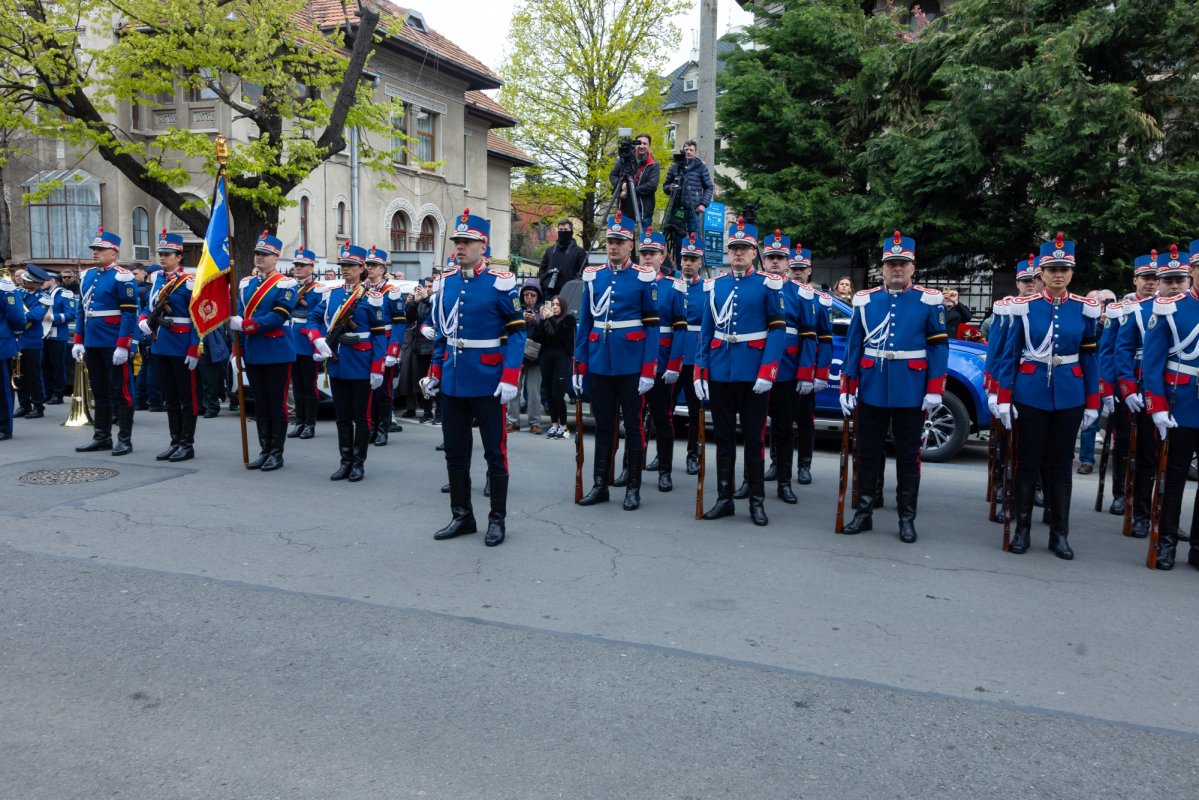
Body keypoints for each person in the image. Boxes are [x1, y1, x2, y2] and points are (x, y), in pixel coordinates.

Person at [993, 232, 1099, 559]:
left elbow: (1089, 357)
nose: (1058, 275)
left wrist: (1093, 401)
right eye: (1052, 269)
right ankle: (1023, 530)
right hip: (1030, 393)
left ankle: (1059, 534)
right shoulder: (1022, 308)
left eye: (1063, 269)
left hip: (1069, 395)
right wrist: (1004, 397)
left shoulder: (1085, 309)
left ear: (1071, 273)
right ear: (1040, 273)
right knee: (1027, 462)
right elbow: (1010, 355)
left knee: (1060, 466)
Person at [424, 209, 527, 547]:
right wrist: (435, 372)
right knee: (455, 451)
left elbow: (517, 334)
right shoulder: (446, 282)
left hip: (488, 381)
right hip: (453, 381)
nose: (460, 247)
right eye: (457, 241)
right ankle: (462, 516)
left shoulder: (500, 283)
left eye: (467, 242)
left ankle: (497, 520)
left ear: (483, 245)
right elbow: (443, 334)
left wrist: (510, 376)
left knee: (494, 454)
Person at [839, 231, 949, 543]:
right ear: (883, 268)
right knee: (868, 453)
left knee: (907, 457)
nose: (896, 269)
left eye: (902, 263)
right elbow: (854, 347)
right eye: (891, 264)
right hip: (873, 385)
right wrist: (848, 386)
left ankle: (906, 518)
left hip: (911, 389)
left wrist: (934, 388)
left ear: (913, 267)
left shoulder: (928, 301)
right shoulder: (866, 300)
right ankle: (863, 513)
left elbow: (939, 348)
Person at [694, 217, 785, 526]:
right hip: (720, 371)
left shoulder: (767, 283)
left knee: (755, 441)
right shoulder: (715, 285)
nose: (738, 253)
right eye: (734, 248)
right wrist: (700, 372)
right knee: (722, 440)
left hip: (753, 373)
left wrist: (767, 371)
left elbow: (777, 332)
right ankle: (724, 499)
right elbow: (706, 333)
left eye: (744, 248)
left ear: (754, 252)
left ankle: (756, 502)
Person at [574, 212, 660, 511]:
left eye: (619, 242)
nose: (613, 246)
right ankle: (600, 484)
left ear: (630, 244)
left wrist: (649, 368)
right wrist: (580, 364)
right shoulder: (594, 276)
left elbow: (651, 325)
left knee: (633, 426)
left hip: (631, 363)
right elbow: (584, 323)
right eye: (610, 241)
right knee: (603, 425)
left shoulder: (642, 276)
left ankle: (633, 487)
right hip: (599, 362)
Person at [306, 243, 387, 482]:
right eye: (343, 265)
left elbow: (380, 335)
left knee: (361, 417)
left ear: (361, 268)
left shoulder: (372, 297)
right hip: (338, 361)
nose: (345, 269)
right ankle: (345, 461)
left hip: (361, 364)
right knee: (342, 416)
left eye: (350, 265)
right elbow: (313, 317)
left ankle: (358, 463)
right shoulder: (333, 294)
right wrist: (317, 338)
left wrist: (377, 367)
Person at [1141, 242, 1197, 570]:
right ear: (1194, 271)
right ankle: (1166, 543)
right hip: (1182, 404)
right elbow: (1153, 362)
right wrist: (1157, 406)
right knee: (1173, 479)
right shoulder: (1169, 307)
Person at [231, 231, 298, 471]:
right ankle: (264, 449)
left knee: (276, 403)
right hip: (253, 349)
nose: (259, 257)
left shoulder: (287, 283)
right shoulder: (246, 283)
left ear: (276, 257)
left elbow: (279, 315)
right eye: (257, 253)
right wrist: (235, 349)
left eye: (265, 254)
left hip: (276, 350)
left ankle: (276, 453)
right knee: (260, 403)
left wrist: (247, 326)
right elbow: (239, 313)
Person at [759, 231, 817, 505]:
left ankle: (785, 480)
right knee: (754, 429)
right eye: (770, 257)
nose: (774, 262)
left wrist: (806, 373)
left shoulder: (801, 293)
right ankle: (753, 479)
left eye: (780, 258)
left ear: (787, 262)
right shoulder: (755, 287)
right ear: (763, 260)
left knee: (783, 428)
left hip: (786, 371)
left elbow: (808, 336)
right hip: (754, 370)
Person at [73, 228, 138, 455]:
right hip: (93, 341)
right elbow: (82, 310)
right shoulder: (87, 276)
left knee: (122, 391)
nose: (96, 253)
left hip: (112, 342)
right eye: (94, 249)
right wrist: (78, 339)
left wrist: (123, 345)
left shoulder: (123, 276)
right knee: (99, 391)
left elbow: (129, 314)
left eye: (101, 249)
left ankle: (124, 439)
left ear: (114, 253)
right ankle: (101, 436)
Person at [138, 230, 202, 462]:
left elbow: (198, 318)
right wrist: (143, 320)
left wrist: (195, 348)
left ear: (179, 256)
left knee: (187, 397)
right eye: (161, 254)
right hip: (161, 343)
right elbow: (148, 306)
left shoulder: (190, 282)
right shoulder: (158, 279)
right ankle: (175, 441)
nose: (163, 258)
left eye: (168, 254)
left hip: (182, 344)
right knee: (170, 397)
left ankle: (187, 444)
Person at [1115, 252, 1165, 536]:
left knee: (1167, 458)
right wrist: (1121, 388)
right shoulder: (1134, 309)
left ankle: (1165, 513)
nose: (1153, 283)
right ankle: (1135, 505)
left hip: (1175, 392)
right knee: (1133, 446)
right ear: (1135, 279)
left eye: (1156, 278)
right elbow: (1117, 350)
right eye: (1147, 278)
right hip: (1140, 387)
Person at [639, 226, 686, 491]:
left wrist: (674, 364)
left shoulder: (673, 287)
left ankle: (664, 471)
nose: (647, 257)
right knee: (633, 418)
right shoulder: (631, 282)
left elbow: (680, 328)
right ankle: (630, 467)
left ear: (663, 256)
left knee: (662, 418)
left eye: (652, 253)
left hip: (661, 361)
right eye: (643, 252)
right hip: (634, 362)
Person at [789, 243, 832, 486]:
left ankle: (804, 465)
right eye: (793, 267)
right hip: (784, 366)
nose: (797, 271)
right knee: (779, 418)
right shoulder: (779, 294)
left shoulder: (821, 300)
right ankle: (776, 462)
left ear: (809, 270)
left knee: (805, 419)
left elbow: (825, 339)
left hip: (809, 368)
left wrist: (821, 374)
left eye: (801, 268)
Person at [364, 245, 406, 446]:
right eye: (368, 265)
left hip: (385, 344)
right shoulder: (362, 289)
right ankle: (370, 427)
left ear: (383, 269)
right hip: (366, 345)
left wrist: (393, 350)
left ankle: (382, 429)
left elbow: (399, 323)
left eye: (374, 265)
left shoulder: (392, 292)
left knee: (383, 390)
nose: (369, 268)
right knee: (367, 389)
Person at [1075, 289, 1117, 474]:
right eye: (1104, 302)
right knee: (1090, 422)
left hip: (1116, 380)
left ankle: (1121, 456)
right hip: (1096, 379)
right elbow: (1091, 346)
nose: (1107, 305)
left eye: (1112, 301)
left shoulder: (1122, 321)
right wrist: (1100, 323)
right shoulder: (1092, 322)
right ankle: (1086, 460)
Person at [286, 248, 324, 439]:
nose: (298, 269)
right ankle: (299, 422)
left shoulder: (318, 289)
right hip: (292, 342)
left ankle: (310, 423)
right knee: (297, 385)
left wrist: (318, 345)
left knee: (309, 386)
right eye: (296, 265)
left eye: (302, 265)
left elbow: (320, 318)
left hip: (307, 342)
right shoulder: (290, 286)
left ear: (311, 267)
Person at [677, 234, 706, 476]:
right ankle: (660, 454)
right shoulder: (670, 285)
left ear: (700, 262)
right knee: (661, 410)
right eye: (685, 258)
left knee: (695, 412)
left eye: (692, 259)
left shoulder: (707, 289)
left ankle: (692, 455)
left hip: (694, 359)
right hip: (671, 359)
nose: (688, 263)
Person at [535, 295, 576, 439]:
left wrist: (551, 318)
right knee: (549, 393)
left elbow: (563, 335)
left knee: (558, 394)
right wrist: (541, 320)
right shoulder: (547, 320)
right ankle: (554, 424)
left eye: (557, 304)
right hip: (546, 357)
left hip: (562, 358)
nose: (554, 307)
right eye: (552, 304)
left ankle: (564, 427)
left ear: (563, 306)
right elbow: (537, 337)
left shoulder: (568, 319)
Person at [14, 265, 52, 419]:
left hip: (31, 341)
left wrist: (17, 316)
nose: (23, 281)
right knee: (19, 375)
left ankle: (38, 406)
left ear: (37, 284)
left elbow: (35, 316)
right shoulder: (19, 292)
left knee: (34, 375)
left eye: (27, 280)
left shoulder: (44, 297)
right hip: (17, 340)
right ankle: (24, 405)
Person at [508, 278, 545, 434]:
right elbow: (508, 328)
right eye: (526, 295)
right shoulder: (517, 309)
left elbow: (548, 331)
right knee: (513, 390)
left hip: (536, 357)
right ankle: (512, 421)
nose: (529, 298)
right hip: (517, 355)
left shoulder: (544, 309)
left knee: (534, 391)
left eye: (532, 295)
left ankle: (535, 422)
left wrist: (537, 320)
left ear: (538, 296)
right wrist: (521, 319)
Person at [663, 139, 714, 250]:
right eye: (686, 149)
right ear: (683, 151)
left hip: (694, 208)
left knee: (693, 237)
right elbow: (665, 187)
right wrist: (670, 187)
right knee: (678, 239)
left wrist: (704, 204)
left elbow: (709, 187)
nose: (688, 152)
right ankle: (678, 264)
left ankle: (695, 264)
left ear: (695, 152)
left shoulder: (701, 167)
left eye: (691, 150)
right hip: (677, 209)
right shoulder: (674, 167)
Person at [608, 133, 659, 238]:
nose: (642, 146)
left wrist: (631, 190)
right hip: (626, 207)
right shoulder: (624, 160)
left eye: (645, 144)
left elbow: (652, 185)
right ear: (634, 145)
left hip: (644, 209)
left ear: (649, 146)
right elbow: (613, 175)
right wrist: (621, 186)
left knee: (645, 240)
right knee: (624, 240)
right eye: (639, 143)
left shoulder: (653, 164)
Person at [131, 263, 165, 412]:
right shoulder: (150, 292)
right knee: (153, 369)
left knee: (145, 367)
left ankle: (140, 400)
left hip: (143, 333)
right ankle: (155, 401)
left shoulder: (140, 290)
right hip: (150, 332)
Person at [406, 277, 437, 423]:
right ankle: (426, 411)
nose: (427, 289)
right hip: (421, 346)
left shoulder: (435, 300)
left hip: (435, 346)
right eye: (425, 286)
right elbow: (410, 317)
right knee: (423, 381)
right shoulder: (422, 301)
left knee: (437, 381)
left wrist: (426, 299)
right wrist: (415, 302)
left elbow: (434, 316)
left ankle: (439, 412)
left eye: (430, 286)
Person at [0, 269, 27, 439]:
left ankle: (4, 426)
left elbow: (17, 316)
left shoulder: (5, 286)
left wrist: (15, 335)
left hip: (1, 344)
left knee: (2, 388)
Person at [42, 271, 75, 405]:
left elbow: (71, 314)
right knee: (44, 366)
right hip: (42, 334)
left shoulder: (64, 294)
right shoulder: (43, 294)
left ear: (53, 280)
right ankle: (47, 392)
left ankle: (58, 394)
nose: (40, 283)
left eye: (43, 280)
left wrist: (53, 317)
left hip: (57, 334)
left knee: (57, 366)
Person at [538, 220, 587, 299]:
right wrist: (544, 281)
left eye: (565, 230)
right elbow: (542, 269)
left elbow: (584, 272)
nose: (563, 232)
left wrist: (574, 283)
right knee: (548, 311)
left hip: (570, 292)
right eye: (561, 230)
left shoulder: (579, 252)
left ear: (571, 231)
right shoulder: (550, 251)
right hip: (549, 292)